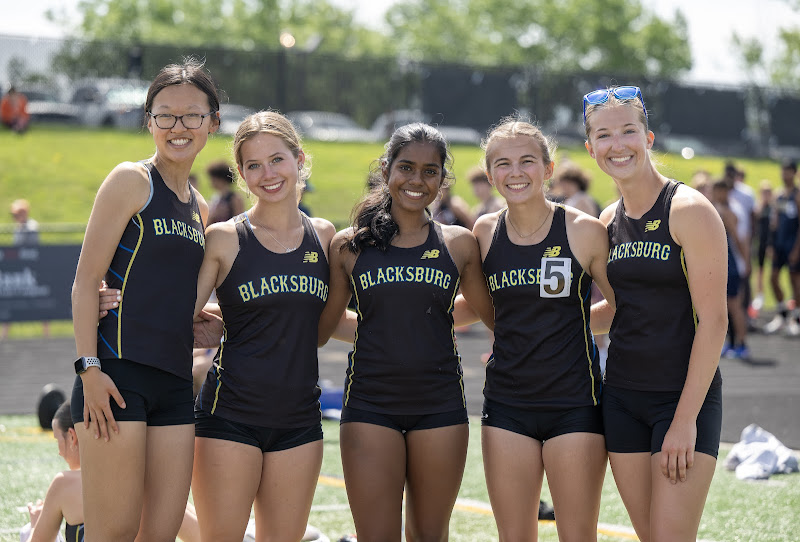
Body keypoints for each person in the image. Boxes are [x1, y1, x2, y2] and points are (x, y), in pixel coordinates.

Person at [317, 123, 495, 542]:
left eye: (430, 171)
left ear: (442, 178)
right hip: (370, 405)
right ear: (386, 169)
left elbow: (495, 316)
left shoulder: (459, 244)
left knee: (430, 535)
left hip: (440, 406)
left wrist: (429, 320)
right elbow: (321, 329)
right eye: (406, 168)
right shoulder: (349, 246)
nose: (417, 180)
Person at [70, 58, 220, 541]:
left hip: (175, 384)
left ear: (212, 122)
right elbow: (85, 280)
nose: (179, 127)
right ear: (148, 121)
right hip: (116, 375)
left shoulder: (201, 207)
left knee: (161, 533)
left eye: (192, 115)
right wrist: (89, 368)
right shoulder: (131, 181)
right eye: (165, 115)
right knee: (112, 533)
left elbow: (173, 290)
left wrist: (208, 320)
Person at [583, 85, 727, 541]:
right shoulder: (608, 220)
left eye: (628, 130)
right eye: (604, 136)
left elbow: (714, 321)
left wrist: (684, 420)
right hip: (622, 400)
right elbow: (619, 310)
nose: (617, 144)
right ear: (591, 148)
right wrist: (542, 326)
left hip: (680, 399)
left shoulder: (687, 210)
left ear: (648, 137)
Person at [191, 110, 335, 542]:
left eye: (277, 160)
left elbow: (328, 324)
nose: (267, 174)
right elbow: (177, 316)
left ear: (299, 159)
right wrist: (111, 297)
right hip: (229, 415)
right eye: (253, 165)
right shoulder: (224, 238)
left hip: (299, 419)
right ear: (241, 174)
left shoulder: (325, 238)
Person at [470, 118, 615, 541]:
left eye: (527, 161)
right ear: (491, 171)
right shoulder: (484, 232)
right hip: (506, 405)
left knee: (577, 535)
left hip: (574, 403)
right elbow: (477, 306)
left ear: (548, 169)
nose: (515, 172)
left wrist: (571, 325)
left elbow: (625, 306)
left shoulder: (584, 231)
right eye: (503, 163)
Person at [21, 400, 202, 542]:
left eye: (57, 439)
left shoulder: (64, 484)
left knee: (24, 533)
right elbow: (200, 535)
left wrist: (36, 525)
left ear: (73, 436)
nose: (59, 451)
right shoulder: (148, 481)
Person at [710, 180, 750, 359]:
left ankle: (742, 344)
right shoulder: (716, 209)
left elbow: (737, 238)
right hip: (722, 264)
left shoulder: (728, 212)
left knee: (734, 306)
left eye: (719, 191)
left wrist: (746, 262)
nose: (716, 194)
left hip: (731, 265)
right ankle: (731, 342)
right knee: (724, 306)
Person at [763, 159, 800, 336]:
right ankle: (782, 314)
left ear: (794, 173)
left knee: (795, 281)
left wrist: (797, 249)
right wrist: (770, 244)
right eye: (782, 171)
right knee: (773, 278)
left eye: (788, 171)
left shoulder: (798, 195)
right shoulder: (778, 195)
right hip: (779, 244)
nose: (784, 174)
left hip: (793, 244)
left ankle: (796, 318)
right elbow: (774, 223)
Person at [3, 199, 48, 339]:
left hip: (33, 271)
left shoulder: (30, 227)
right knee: (9, 301)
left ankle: (47, 335)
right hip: (21, 271)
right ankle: (4, 336)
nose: (16, 218)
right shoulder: (18, 228)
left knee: (42, 301)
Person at [751, 179, 775, 315]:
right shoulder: (759, 208)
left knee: (771, 270)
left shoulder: (773, 209)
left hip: (769, 243)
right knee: (759, 269)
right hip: (760, 243)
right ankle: (759, 294)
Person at [206, 160, 245, 224]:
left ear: (221, 179)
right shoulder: (215, 198)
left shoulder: (235, 198)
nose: (211, 181)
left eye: (213, 178)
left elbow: (240, 221)